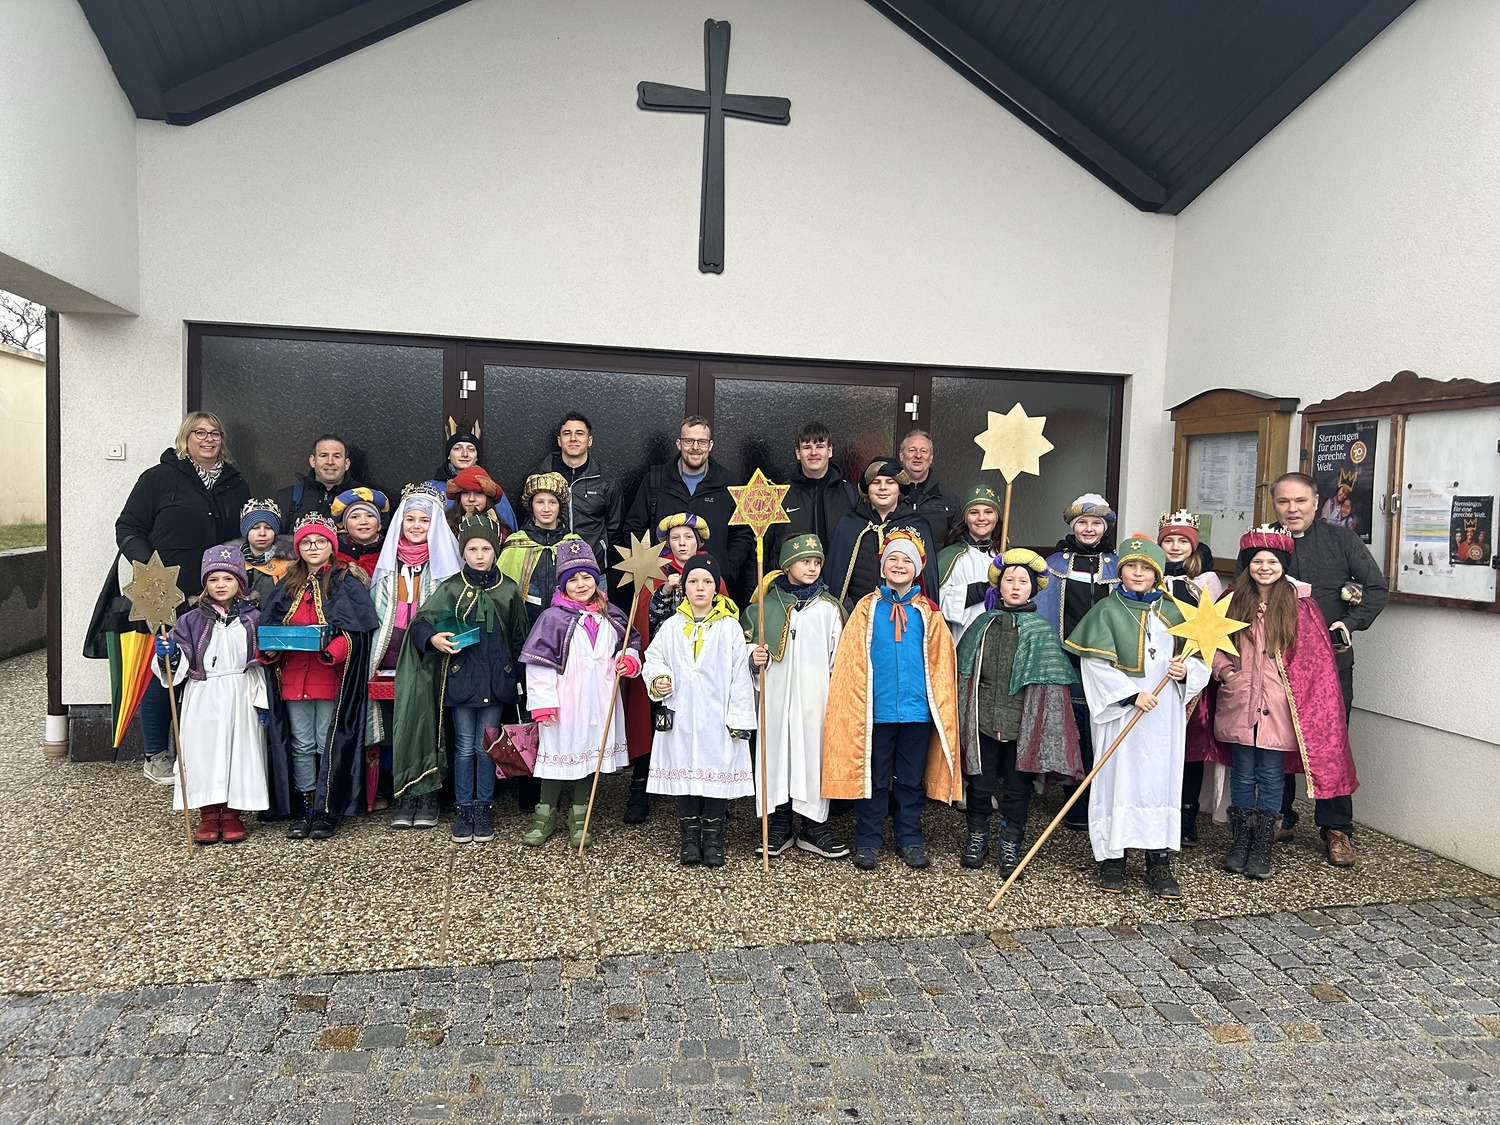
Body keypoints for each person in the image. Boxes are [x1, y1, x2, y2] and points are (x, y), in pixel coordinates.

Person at [1064, 534, 1209, 898]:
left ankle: (1158, 859)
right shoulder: (1107, 611)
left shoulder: (1177, 612)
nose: (1139, 573)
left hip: (1163, 716)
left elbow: (1200, 658)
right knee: (1116, 779)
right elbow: (1094, 665)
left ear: (1157, 572)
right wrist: (1131, 695)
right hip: (1121, 715)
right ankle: (1113, 857)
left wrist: (1186, 672)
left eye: (1146, 567)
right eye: (1131, 566)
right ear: (1121, 571)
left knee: (1160, 781)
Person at [111, 411, 251, 785]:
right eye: (199, 432)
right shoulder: (158, 478)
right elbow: (128, 527)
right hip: (165, 594)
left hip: (217, 594)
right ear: (185, 438)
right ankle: (156, 754)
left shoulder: (236, 484)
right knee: (166, 672)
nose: (208, 439)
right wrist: (150, 570)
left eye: (215, 433)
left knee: (206, 670)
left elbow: (246, 533)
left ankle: (196, 753)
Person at [1213, 527, 1358, 881]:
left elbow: (1313, 661)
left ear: (1283, 565)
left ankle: (1263, 844)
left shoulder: (1300, 605)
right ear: (1247, 565)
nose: (1264, 567)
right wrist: (1226, 673)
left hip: (1279, 705)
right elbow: (1212, 642)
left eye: (1272, 562)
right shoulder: (1232, 600)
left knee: (1271, 774)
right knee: (1242, 772)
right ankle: (1241, 841)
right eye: (1257, 561)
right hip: (1240, 701)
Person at [822, 529, 961, 871]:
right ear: (883, 566)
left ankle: (909, 838)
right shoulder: (866, 610)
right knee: (873, 778)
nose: (899, 565)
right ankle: (868, 840)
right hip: (876, 712)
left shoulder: (929, 613)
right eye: (893, 559)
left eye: (907, 561)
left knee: (910, 781)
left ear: (917, 569)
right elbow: (850, 660)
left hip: (916, 712)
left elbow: (942, 663)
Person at [1271, 472, 1388, 867]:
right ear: (1275, 504)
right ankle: (1279, 817)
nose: (1292, 509)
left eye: (1300, 501)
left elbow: (1376, 589)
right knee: (1275, 740)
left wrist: (1349, 624)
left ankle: (1336, 828)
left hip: (1329, 663)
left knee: (1331, 742)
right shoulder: (1263, 541)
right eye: (1284, 501)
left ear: (1316, 502)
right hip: (1275, 661)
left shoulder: (1342, 540)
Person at [399, 515, 529, 845]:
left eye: (486, 549)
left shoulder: (509, 589)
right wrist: (433, 639)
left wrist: (518, 679)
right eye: (472, 549)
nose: (479, 555)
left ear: (496, 550)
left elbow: (519, 636)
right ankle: (463, 808)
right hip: (461, 681)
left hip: (496, 683)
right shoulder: (452, 588)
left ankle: (484, 807)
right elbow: (422, 622)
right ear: (463, 552)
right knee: (464, 746)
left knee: (486, 746)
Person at [954, 549, 1082, 877]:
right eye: (1009, 580)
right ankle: (977, 837)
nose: (1015, 586)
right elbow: (964, 671)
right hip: (983, 720)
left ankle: (1010, 844)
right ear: (999, 585)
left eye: (1022, 581)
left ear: (1032, 588)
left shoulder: (1041, 631)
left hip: (1023, 724)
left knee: (1016, 788)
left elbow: (1051, 686)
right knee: (980, 784)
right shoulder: (982, 624)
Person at [519, 540, 642, 850]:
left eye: (586, 577)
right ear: (563, 585)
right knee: (556, 757)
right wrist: (543, 703)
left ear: (596, 579)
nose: (581, 584)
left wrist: (628, 659)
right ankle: (544, 816)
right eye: (572, 579)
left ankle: (579, 816)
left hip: (599, 699)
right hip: (565, 702)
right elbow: (539, 664)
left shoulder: (611, 614)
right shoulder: (552, 618)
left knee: (590, 756)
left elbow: (629, 643)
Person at [262, 514, 379, 840]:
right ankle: (305, 803)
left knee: (326, 741)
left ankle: (326, 807)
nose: (313, 547)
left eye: (321, 541)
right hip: (293, 679)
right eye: (307, 542)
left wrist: (334, 650)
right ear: (298, 548)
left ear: (332, 546)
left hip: (328, 678)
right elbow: (270, 625)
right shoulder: (286, 583)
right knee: (301, 743)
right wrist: (271, 649)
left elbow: (358, 631)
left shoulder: (345, 581)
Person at [642, 554, 756, 867]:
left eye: (707, 582)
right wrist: (659, 678)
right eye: (693, 581)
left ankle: (714, 838)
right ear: (685, 587)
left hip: (717, 717)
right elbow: (654, 658)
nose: (700, 587)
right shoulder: (672, 626)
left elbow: (740, 675)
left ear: (716, 588)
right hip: (681, 715)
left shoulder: (730, 628)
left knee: (716, 773)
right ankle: (690, 838)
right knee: (685, 771)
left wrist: (739, 718)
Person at [153, 545, 270, 844]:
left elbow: (265, 659)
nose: (221, 585)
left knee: (239, 751)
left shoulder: (254, 618)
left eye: (228, 579)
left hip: (241, 691)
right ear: (205, 583)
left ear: (240, 582)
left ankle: (231, 814)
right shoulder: (190, 620)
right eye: (214, 579)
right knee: (204, 752)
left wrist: (264, 699)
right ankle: (207, 814)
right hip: (204, 693)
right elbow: (177, 664)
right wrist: (170, 654)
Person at [745, 534, 850, 860]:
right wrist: (753, 657)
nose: (813, 567)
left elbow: (839, 659)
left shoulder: (829, 609)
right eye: (805, 561)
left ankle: (814, 826)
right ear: (787, 564)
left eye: (817, 562)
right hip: (776, 699)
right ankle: (778, 824)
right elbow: (744, 650)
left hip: (814, 699)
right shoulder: (763, 608)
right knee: (776, 756)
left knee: (812, 756)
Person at [371, 485, 464, 829]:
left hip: (429, 654)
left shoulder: (444, 565)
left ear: (434, 525)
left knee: (428, 724)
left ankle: (428, 793)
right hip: (390, 655)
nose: (415, 526)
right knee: (399, 726)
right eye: (409, 519)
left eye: (424, 521)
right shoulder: (388, 565)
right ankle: (403, 792)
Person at [625, 512, 727, 823]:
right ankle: (641, 787)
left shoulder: (711, 574)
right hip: (666, 663)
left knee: (703, 724)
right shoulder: (654, 571)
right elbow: (645, 618)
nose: (682, 543)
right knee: (656, 719)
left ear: (698, 542)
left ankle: (711, 793)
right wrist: (665, 592)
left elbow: (724, 616)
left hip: (700, 666)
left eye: (687, 538)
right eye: (675, 538)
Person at [1034, 493, 1119, 830]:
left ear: (1104, 528)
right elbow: (1044, 610)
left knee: (1101, 728)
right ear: (1073, 525)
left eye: (1096, 523)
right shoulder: (1055, 564)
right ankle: (1074, 796)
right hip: (1067, 658)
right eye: (1083, 522)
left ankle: (1100, 794)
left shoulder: (1117, 565)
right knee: (1073, 729)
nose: (1089, 528)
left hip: (1104, 660)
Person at [1157, 510, 1228, 847]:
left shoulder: (1206, 582)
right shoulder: (1149, 576)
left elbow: (1212, 629)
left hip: (1191, 674)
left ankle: (1187, 815)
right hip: (1156, 670)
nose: (1175, 547)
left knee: (1190, 747)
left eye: (1182, 541)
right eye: (1168, 541)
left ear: (1194, 546)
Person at [622, 416, 753, 600]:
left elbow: (742, 533)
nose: (695, 447)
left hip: (711, 584)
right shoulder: (655, 480)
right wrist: (650, 570)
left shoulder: (728, 483)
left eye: (702, 442)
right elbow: (634, 528)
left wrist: (726, 568)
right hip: (663, 585)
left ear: (710, 445)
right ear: (679, 444)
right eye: (689, 441)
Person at [825, 458, 939, 607]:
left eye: (890, 482)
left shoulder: (917, 526)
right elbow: (835, 576)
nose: (883, 487)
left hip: (904, 614)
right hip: (854, 612)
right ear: (868, 489)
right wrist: (848, 610)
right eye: (876, 482)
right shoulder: (849, 524)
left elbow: (928, 580)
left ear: (899, 488)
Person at [529, 413, 621, 573]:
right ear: (559, 441)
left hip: (593, 570)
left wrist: (603, 558)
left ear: (589, 440)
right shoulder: (540, 477)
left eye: (579, 433)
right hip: (551, 570)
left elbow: (615, 528)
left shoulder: (605, 481)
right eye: (567, 433)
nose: (573, 438)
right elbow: (529, 520)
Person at [498, 473, 584, 630]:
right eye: (539, 502)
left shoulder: (574, 545)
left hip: (566, 624)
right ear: (531, 505)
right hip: (526, 624)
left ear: (560, 506)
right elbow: (502, 592)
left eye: (552, 502)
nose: (546, 509)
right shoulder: (516, 544)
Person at [769, 421, 859, 557]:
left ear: (829, 451)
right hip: (791, 571)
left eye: (820, 446)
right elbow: (764, 546)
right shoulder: (781, 495)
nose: (813, 453)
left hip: (837, 571)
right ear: (798, 453)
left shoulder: (849, 494)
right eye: (807, 447)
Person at [937, 485, 1004, 645]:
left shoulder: (1006, 556)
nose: (982, 518)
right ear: (965, 518)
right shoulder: (950, 557)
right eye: (974, 512)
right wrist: (980, 590)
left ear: (997, 517)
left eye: (988, 512)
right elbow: (940, 603)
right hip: (963, 637)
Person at [432, 429, 518, 533]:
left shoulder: (491, 489)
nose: (465, 454)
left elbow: (509, 528)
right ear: (449, 455)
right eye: (458, 448)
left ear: (477, 457)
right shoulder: (431, 488)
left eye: (471, 449)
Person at [273, 433, 363, 525]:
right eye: (323, 455)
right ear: (313, 461)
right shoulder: (285, 498)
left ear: (346, 464)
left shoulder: (363, 497)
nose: (330, 462)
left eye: (337, 456)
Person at [898, 430, 960, 543]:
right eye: (912, 450)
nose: (918, 455)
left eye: (924, 451)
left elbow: (957, 543)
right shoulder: (887, 494)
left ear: (931, 458)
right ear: (901, 456)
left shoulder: (948, 499)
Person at [230, 498, 291, 610]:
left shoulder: (289, 566)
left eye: (268, 528)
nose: (262, 533)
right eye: (255, 527)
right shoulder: (230, 562)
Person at [331, 487, 389, 578]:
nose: (363, 522)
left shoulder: (390, 550)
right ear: (345, 525)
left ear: (379, 524)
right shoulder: (333, 553)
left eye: (370, 516)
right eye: (355, 517)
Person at [445, 466, 508, 540]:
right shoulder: (446, 528)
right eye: (466, 493)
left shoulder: (503, 533)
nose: (471, 499)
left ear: (487, 498)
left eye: (478, 493)